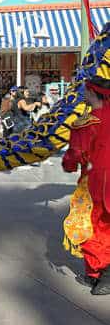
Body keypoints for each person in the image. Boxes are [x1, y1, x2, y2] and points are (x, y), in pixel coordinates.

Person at [61, 76, 110, 295]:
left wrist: (69, 164)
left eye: (86, 91)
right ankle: (95, 274)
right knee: (103, 226)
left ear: (92, 93)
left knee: (90, 226)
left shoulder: (87, 122)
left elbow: (75, 156)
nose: (84, 94)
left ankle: (103, 272)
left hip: (97, 181)